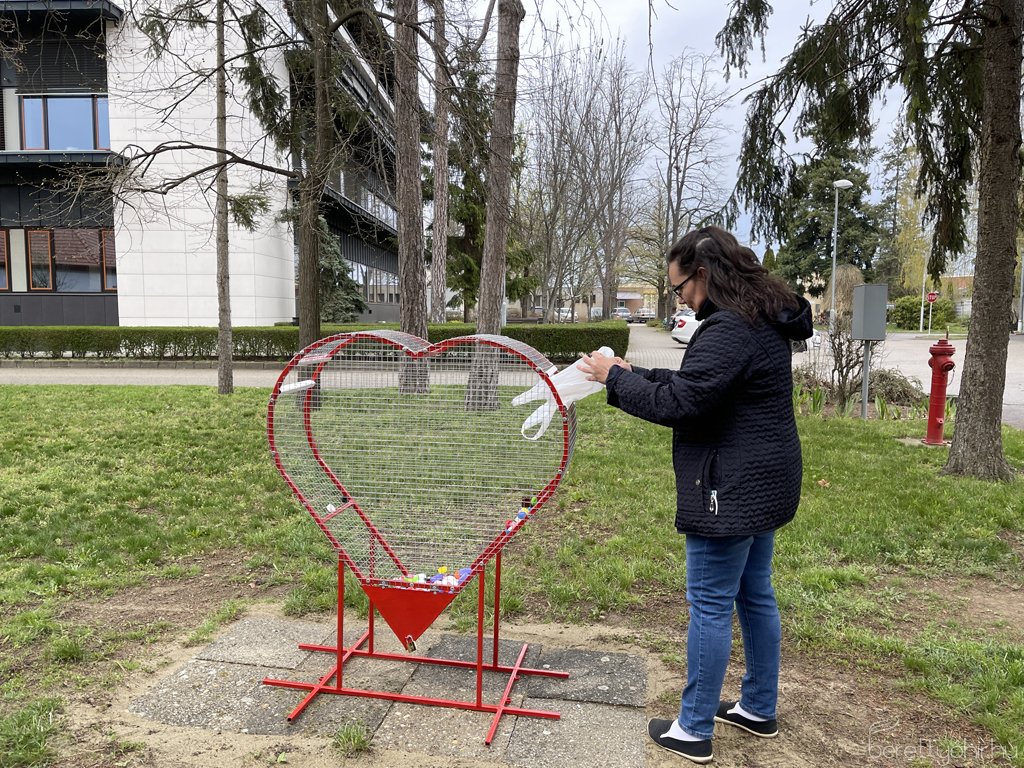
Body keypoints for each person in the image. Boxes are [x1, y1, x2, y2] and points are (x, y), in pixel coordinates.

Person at [579, 226, 812, 765]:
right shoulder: (761, 319)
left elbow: (683, 404)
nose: (679, 297)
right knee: (755, 594)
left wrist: (615, 379)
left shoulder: (729, 327)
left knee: (709, 604)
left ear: (704, 274)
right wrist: (632, 373)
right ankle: (757, 707)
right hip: (766, 483)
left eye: (680, 286)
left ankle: (693, 728)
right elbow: (703, 385)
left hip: (727, 490)